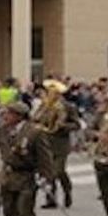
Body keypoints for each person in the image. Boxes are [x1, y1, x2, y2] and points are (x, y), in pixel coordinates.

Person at [0, 101, 53, 216]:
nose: (4, 116)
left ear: (18, 116)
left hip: (26, 176)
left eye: (8, 113)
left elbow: (45, 159)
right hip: (7, 176)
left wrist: (46, 179)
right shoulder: (2, 130)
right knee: (9, 213)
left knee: (25, 210)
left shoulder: (34, 132)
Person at [33, 80, 80, 209]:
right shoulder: (45, 105)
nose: (50, 94)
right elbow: (36, 119)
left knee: (58, 171)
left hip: (61, 143)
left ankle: (67, 190)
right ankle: (51, 199)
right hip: (46, 142)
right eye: (49, 91)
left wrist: (63, 125)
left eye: (54, 92)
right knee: (48, 172)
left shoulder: (68, 107)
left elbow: (77, 124)